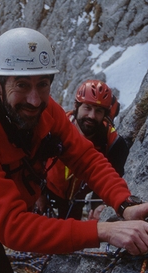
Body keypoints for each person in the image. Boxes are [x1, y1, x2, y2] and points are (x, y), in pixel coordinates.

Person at [0, 27, 148, 273]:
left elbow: (85, 158)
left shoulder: (45, 110)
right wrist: (104, 231)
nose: (34, 100)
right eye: (21, 85)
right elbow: (13, 226)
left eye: (43, 84)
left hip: (15, 205)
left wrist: (125, 204)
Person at [37, 79, 129, 220]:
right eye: (87, 108)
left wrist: (97, 206)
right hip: (47, 190)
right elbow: (34, 160)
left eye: (98, 111)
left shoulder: (113, 143)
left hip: (76, 199)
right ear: (76, 106)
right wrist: (38, 193)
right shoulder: (55, 128)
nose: (91, 116)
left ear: (105, 114)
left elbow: (114, 174)